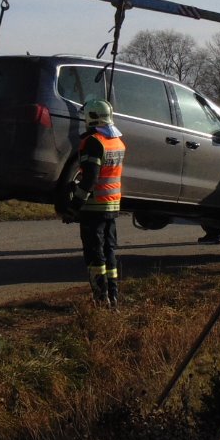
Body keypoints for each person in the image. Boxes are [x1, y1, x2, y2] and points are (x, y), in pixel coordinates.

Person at [72, 97, 126, 307]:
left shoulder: (94, 142)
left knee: (95, 253)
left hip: (94, 207)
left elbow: (90, 178)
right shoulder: (117, 141)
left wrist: (75, 204)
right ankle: (113, 296)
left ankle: (100, 297)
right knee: (109, 251)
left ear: (91, 117)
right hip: (112, 205)